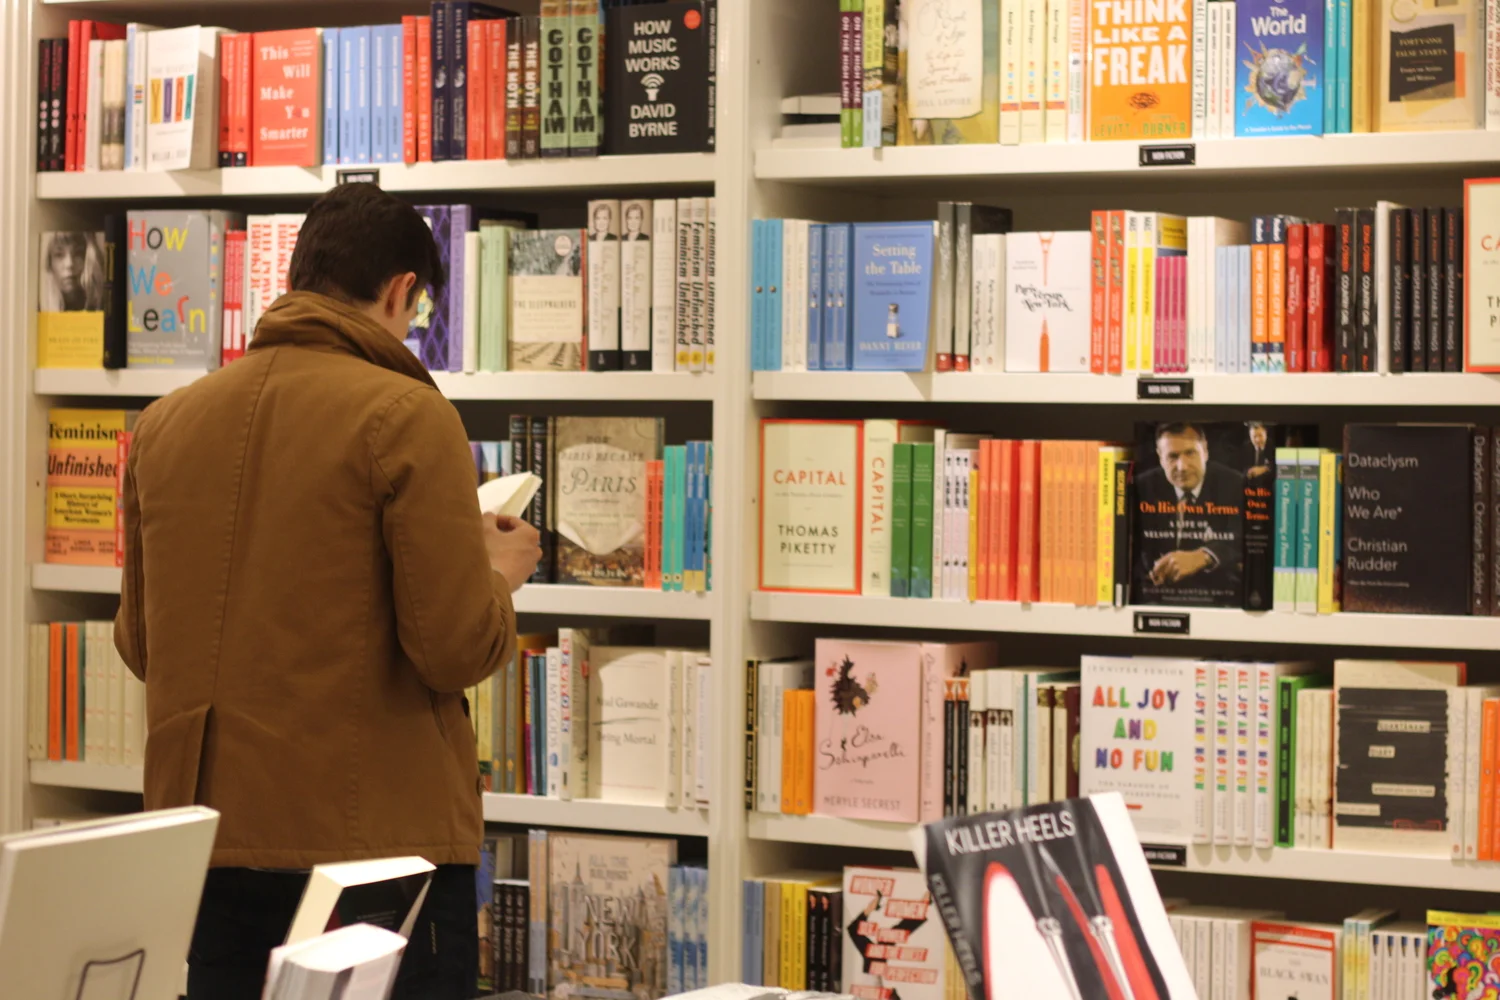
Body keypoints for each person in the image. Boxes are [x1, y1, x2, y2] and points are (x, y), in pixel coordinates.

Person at [113, 183, 542, 1000]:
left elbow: (142, 644)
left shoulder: (165, 424)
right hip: (374, 854)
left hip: (207, 846)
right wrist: (494, 574)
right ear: (401, 291)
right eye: (415, 313)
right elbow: (453, 646)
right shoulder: (406, 415)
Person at [1132, 422, 1244, 602]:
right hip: (1154, 598)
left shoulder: (1236, 484)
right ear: (1160, 458)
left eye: (1190, 453)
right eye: (1172, 457)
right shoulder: (1140, 487)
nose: (1182, 466)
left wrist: (1204, 555)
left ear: (1205, 452)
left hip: (1217, 598)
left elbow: (1245, 536)